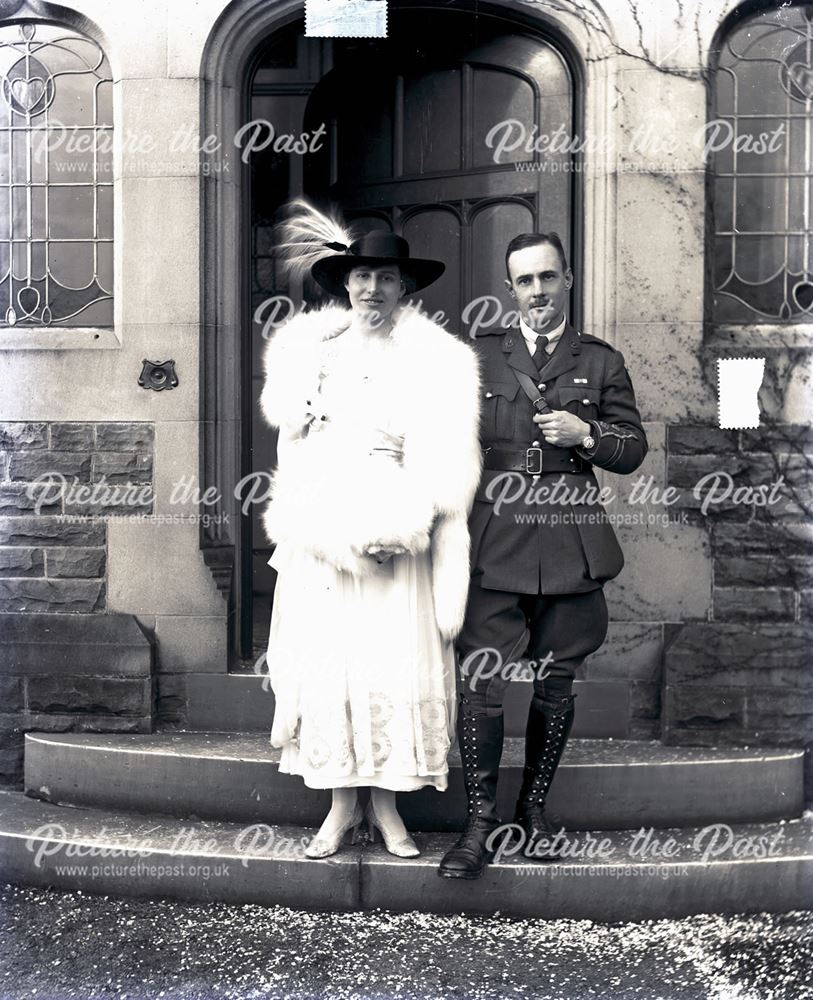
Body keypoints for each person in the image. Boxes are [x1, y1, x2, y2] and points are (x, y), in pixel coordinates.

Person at [259, 200, 481, 859]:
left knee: (390, 665)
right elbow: (293, 459)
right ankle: (337, 809)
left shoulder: (431, 361)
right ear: (344, 284)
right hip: (328, 534)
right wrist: (322, 527)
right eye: (361, 277)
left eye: (385, 277)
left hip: (399, 534)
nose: (372, 289)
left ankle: (387, 809)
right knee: (336, 667)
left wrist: (405, 527)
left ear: (404, 287)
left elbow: (443, 457)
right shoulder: (313, 356)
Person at [438, 231, 648, 879]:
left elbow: (632, 449)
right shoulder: (478, 359)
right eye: (524, 281)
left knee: (556, 683)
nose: (537, 292)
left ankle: (533, 813)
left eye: (547, 278)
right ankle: (478, 823)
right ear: (509, 289)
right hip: (494, 534)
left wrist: (587, 434)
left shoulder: (601, 362)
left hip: (569, 536)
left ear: (567, 281)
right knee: (483, 686)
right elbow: (442, 441)